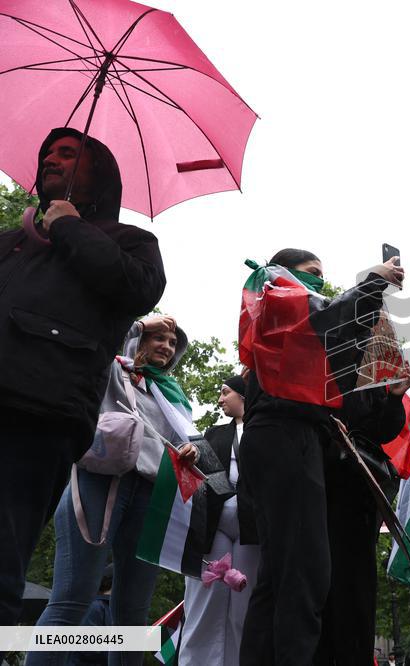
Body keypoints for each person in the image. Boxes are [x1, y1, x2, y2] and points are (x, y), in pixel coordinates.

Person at [0, 129, 166, 645]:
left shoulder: (131, 243)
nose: (50, 158)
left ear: (101, 174)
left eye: (68, 154)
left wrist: (71, 229)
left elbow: (138, 289)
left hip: (37, 415)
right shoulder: (11, 243)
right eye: (47, 152)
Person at [238, 249, 403, 665]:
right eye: (312, 275)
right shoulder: (277, 294)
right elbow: (331, 324)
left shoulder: (279, 311)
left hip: (295, 439)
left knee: (281, 579)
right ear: (284, 272)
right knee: (303, 579)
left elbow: (337, 364)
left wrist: (387, 390)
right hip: (285, 437)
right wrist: (374, 282)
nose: (319, 285)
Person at [29, 315, 198, 666]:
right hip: (100, 483)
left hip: (151, 495)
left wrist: (191, 451)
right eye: (158, 338)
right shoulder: (111, 370)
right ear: (139, 340)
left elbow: (180, 442)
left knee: (133, 615)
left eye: (172, 342)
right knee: (72, 600)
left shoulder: (175, 397)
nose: (166, 346)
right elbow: (96, 333)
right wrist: (136, 325)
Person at [317, 363, 410, 665]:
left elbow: (380, 430)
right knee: (317, 589)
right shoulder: (313, 355)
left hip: (358, 497)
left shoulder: (368, 372)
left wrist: (395, 398)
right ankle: (161, 646)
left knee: (355, 593)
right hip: (317, 489)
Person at [178, 376, 258, 666]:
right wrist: (192, 453)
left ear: (244, 395)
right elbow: (199, 461)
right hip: (214, 525)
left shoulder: (264, 431)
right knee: (204, 603)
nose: (221, 400)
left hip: (253, 527)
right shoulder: (213, 432)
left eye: (226, 393)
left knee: (245, 606)